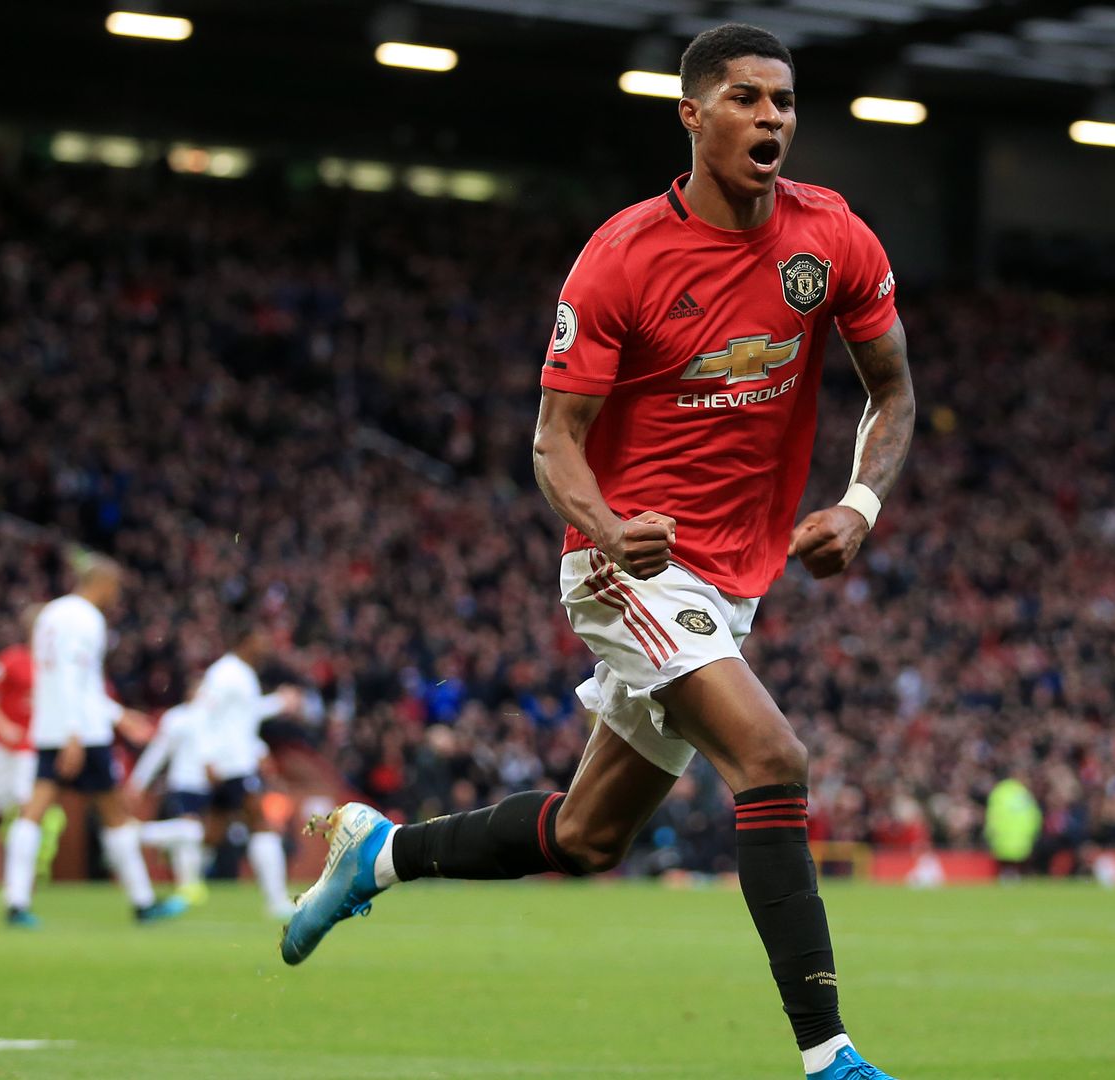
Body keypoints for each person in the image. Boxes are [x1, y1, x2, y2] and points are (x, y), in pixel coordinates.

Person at [280, 23, 913, 1080]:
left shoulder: (830, 235)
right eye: (747, 98)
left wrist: (859, 505)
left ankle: (380, 855)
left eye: (784, 101)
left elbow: (893, 391)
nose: (771, 118)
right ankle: (830, 1056)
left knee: (588, 837)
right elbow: (553, 443)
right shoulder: (624, 257)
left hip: (732, 579)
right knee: (773, 761)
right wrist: (612, 526)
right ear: (692, 115)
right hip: (627, 567)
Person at [2, 555, 186, 927]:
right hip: (82, 732)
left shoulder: (50, 614)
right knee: (115, 814)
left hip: (49, 726)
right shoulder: (87, 619)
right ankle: (143, 903)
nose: (116, 595)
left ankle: (16, 901)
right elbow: (75, 677)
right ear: (101, 583)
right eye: (115, 587)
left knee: (33, 812)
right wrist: (75, 732)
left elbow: (68, 681)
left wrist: (119, 716)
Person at [194, 621, 304, 919]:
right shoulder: (224, 672)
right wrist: (207, 757)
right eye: (260, 640)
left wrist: (279, 703)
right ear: (244, 641)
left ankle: (187, 886)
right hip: (230, 764)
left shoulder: (242, 673)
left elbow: (245, 715)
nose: (265, 646)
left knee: (213, 832)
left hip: (236, 761)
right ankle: (276, 900)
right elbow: (203, 714)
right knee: (261, 823)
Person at [0, 605, 66, 882]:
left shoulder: (58, 665)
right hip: (4, 747)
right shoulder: (12, 659)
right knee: (6, 804)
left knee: (28, 805)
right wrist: (2, 725)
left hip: (34, 749)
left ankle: (25, 872)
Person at [128, 693, 214, 904]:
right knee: (190, 830)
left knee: (196, 836)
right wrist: (139, 780)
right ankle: (137, 834)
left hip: (209, 784)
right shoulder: (177, 718)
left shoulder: (217, 716)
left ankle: (189, 884)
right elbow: (159, 750)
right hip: (184, 782)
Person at [986, 775, 1042, 879]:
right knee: (1017, 858)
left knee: (1007, 859)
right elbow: (1033, 814)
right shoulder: (1024, 793)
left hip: (1005, 834)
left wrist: (991, 830)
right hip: (1021, 835)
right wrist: (1033, 829)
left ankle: (1008, 875)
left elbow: (993, 814)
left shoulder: (1000, 792)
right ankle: (1016, 875)